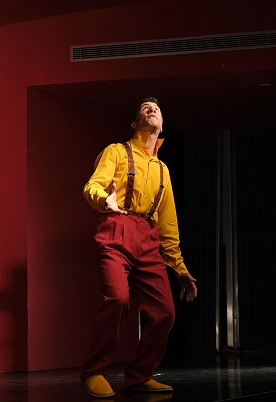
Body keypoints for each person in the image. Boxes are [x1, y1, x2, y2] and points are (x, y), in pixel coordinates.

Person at [80, 97, 197, 398]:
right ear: (135, 122)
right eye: (145, 108)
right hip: (116, 228)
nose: (151, 109)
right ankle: (94, 371)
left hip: (147, 237)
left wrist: (179, 268)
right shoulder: (117, 151)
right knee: (118, 299)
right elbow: (93, 185)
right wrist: (103, 200)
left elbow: (168, 224)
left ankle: (139, 375)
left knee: (165, 311)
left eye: (156, 108)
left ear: (162, 123)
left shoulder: (163, 170)